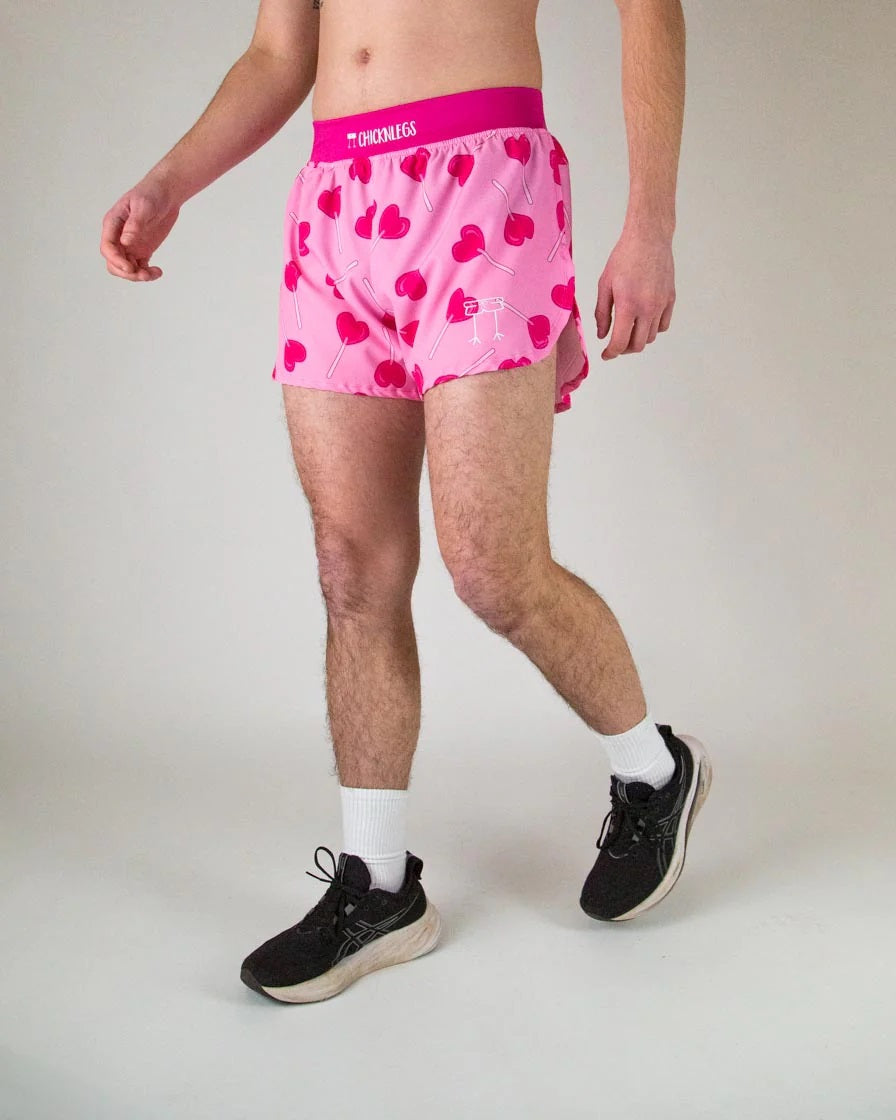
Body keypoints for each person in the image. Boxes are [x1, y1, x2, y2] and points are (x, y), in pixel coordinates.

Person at [100, 0, 712, 1005]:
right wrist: (170, 181)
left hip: (483, 186)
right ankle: (378, 886)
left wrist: (650, 222)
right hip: (336, 207)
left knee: (493, 568)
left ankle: (653, 770)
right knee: (352, 569)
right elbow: (278, 52)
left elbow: (649, 10)